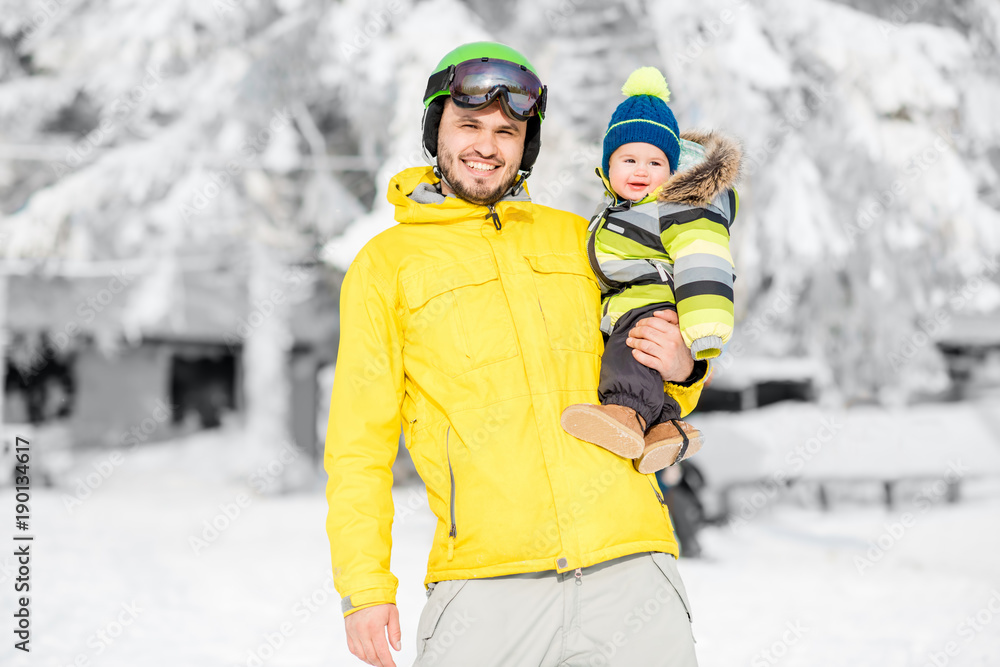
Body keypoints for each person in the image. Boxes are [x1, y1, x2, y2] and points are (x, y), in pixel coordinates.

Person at [325, 43, 709, 667]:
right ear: (436, 131)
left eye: (508, 131)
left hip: (630, 570)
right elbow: (358, 447)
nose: (487, 144)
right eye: (468, 125)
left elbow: (641, 373)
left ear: (525, 145)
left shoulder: (580, 239)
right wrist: (364, 587)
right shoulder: (385, 267)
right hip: (485, 585)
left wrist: (683, 369)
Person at [561, 67, 741, 474]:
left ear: (672, 168)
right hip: (636, 303)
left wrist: (705, 330)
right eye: (629, 159)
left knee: (632, 354)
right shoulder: (617, 210)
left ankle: (626, 415)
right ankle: (666, 428)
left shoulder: (676, 207)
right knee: (643, 360)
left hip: (648, 305)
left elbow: (704, 255)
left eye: (655, 162)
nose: (642, 171)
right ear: (607, 167)